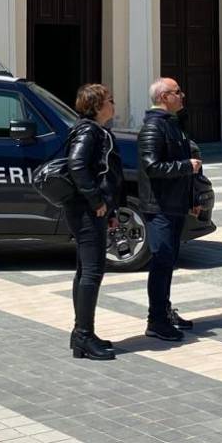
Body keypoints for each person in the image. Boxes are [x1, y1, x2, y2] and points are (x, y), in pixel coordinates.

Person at [138, 77, 202, 341]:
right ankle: (156, 320)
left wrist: (193, 198)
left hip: (175, 205)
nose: (182, 95)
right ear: (164, 96)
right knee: (161, 262)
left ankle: (164, 310)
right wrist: (188, 166)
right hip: (160, 207)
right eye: (177, 92)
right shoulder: (154, 127)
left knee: (168, 262)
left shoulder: (173, 124)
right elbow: (152, 167)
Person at [65, 84, 123, 360]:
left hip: (89, 211)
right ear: (98, 106)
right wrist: (96, 201)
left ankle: (82, 333)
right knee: (92, 272)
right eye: (110, 101)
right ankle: (84, 336)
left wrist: (108, 210)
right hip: (87, 211)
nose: (114, 105)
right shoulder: (89, 131)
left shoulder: (93, 130)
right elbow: (77, 165)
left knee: (85, 271)